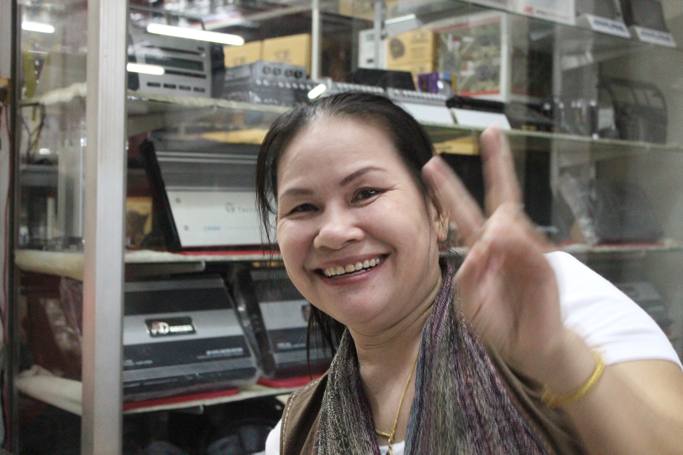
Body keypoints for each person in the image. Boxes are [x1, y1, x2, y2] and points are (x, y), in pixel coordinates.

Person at [254, 92, 683, 455]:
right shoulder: (294, 434)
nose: (333, 233)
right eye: (303, 207)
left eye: (365, 193)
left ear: (437, 209)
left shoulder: (548, 297)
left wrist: (559, 358)